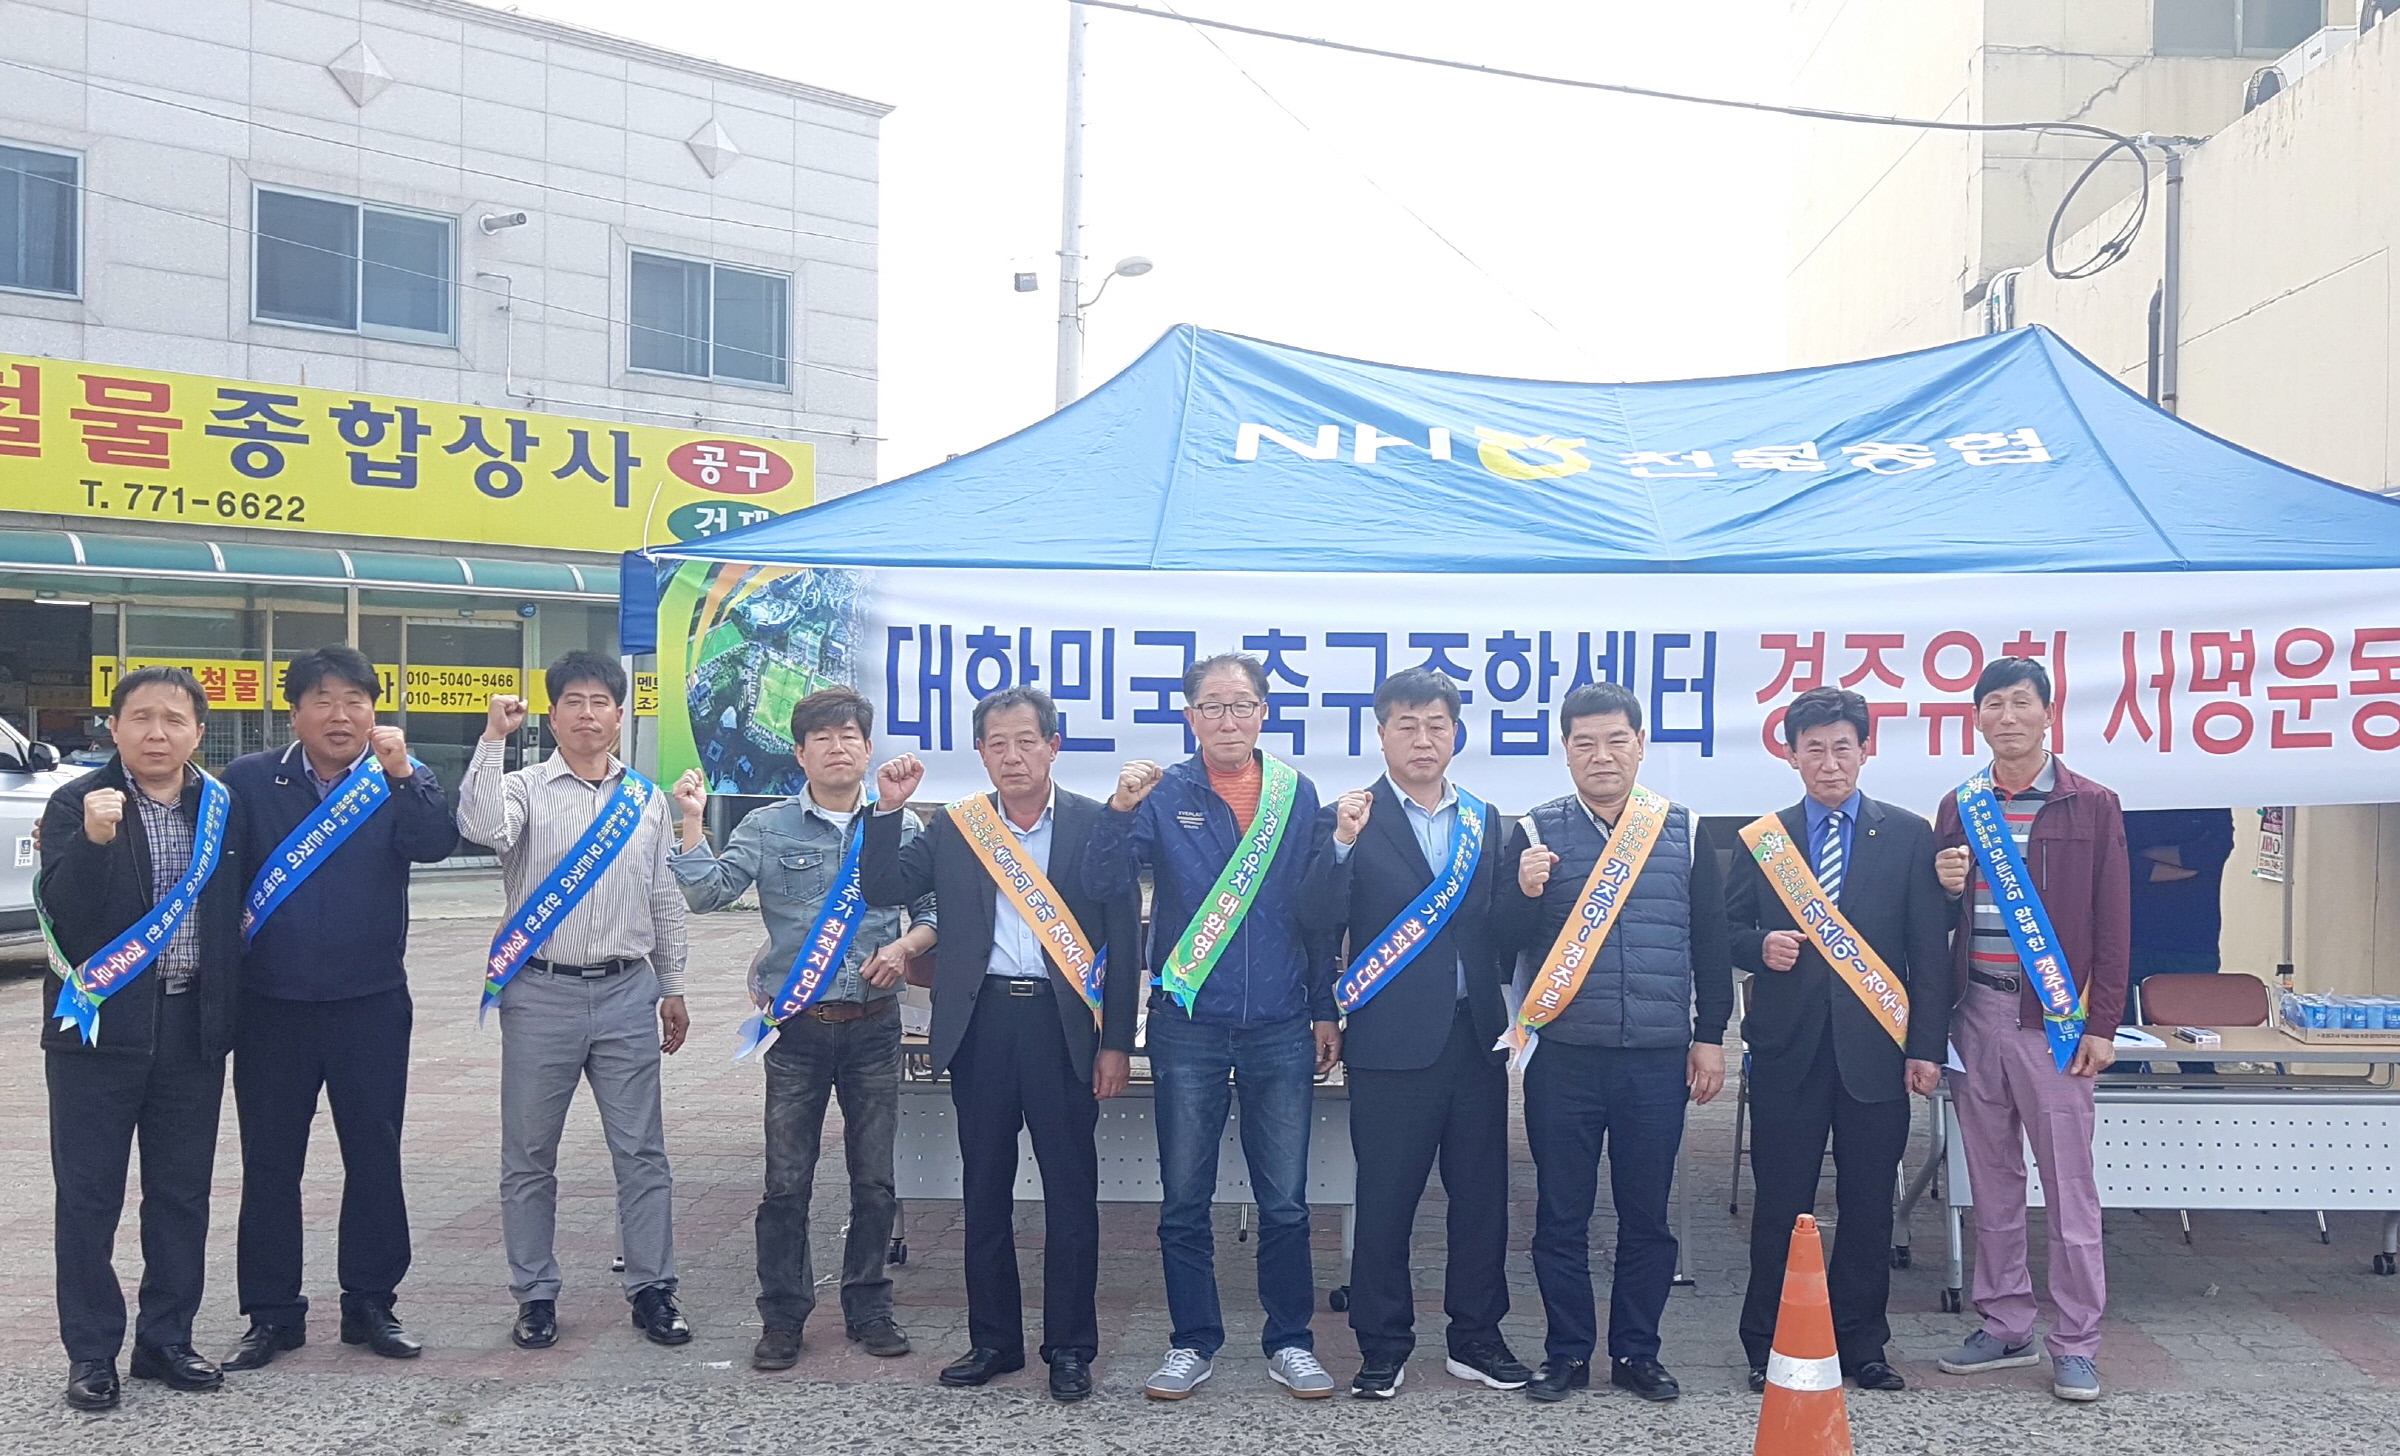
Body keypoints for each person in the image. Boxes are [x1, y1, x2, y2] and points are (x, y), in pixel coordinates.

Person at [860, 687, 1140, 1403]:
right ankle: (994, 1341)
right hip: (982, 1023)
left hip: (1063, 1027)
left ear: (1054, 744)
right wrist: (888, 809)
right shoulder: (959, 826)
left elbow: (1126, 937)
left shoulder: (1092, 823)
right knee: (983, 1190)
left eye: (1026, 741)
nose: (1012, 755)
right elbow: (883, 883)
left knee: (1070, 1194)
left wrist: (1116, 1043)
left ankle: (1070, 1347)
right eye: (997, 743)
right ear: (980, 752)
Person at [1084, 652, 1341, 1402]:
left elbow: (1318, 915)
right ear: (1189, 716)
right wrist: (1121, 810)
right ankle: (1192, 1341)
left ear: (1265, 713)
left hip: (1282, 1023)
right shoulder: (1164, 795)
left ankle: (1289, 1341)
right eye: (1213, 706)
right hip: (1188, 1025)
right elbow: (1103, 884)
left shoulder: (1297, 794)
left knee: (1286, 1200)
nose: (1229, 719)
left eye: (1242, 704)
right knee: (1184, 1198)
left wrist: (1324, 1006)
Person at [671, 685, 934, 1371]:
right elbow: (707, 891)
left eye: (849, 734)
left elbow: (934, 909)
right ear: (799, 752)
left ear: (868, 748)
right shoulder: (767, 827)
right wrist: (691, 824)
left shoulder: (900, 825)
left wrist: (903, 950)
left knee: (875, 1178)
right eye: (822, 736)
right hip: (796, 1031)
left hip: (875, 1026)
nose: (838, 746)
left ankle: (869, 1306)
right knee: (786, 1181)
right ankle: (783, 1317)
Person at [1492, 680, 1731, 1405]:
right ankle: (1565, 1352)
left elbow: (1711, 946)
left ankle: (1636, 1351)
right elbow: (1501, 944)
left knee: (1647, 1217)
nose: (1602, 755)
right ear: (1565, 750)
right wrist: (1524, 893)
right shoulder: (1533, 831)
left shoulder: (1683, 830)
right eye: (1585, 742)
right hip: (1563, 1056)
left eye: (1615, 740)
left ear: (1640, 744)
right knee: (1560, 1214)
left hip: (1656, 1056)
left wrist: (1711, 1037)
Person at [219, 646, 459, 1370]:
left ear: (374, 713)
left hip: (371, 1005)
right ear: (293, 712)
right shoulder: (251, 781)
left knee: (375, 1158)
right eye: (322, 699)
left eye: (356, 699)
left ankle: (371, 1304)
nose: (340, 713)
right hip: (271, 1008)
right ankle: (270, 1314)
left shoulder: (398, 781)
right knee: (269, 1165)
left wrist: (404, 775)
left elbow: (437, 844)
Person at [1296, 668, 1528, 1400]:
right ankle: (1383, 1344)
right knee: (1388, 1200)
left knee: (1482, 1197)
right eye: (1407, 725)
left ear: (1456, 733)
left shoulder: (1486, 822)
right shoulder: (1349, 816)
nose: (1423, 739)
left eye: (1437, 725)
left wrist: (1527, 892)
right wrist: (1337, 845)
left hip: (1473, 1040)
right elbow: (1314, 920)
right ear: (1382, 733)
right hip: (1390, 1042)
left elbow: (1506, 936)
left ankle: (1477, 1338)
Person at [458, 652, 691, 1352]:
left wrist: (672, 984)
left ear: (621, 716)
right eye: (573, 702)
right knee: (529, 1154)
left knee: (642, 1152)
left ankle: (653, 1289)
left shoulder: (646, 801)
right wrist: (492, 738)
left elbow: (663, 899)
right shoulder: (524, 788)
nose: (588, 714)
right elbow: (477, 825)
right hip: (541, 992)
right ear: (553, 714)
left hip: (627, 990)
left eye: (601, 702)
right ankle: (534, 1294)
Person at [1725, 687, 1951, 1394]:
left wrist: (1927, 1046)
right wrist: (1761, 945)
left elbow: (1927, 953)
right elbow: (1724, 931)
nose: (1829, 762)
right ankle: (1766, 1345)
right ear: (1791, 756)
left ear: (1865, 750)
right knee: (1781, 1204)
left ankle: (1863, 1345)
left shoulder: (1910, 835)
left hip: (1876, 1053)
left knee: (1866, 1205)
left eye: (1842, 747)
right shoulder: (1765, 839)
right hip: (1788, 1051)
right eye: (1813, 748)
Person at [37, 667, 244, 1411]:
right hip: (96, 1037)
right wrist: (93, 841)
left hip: (191, 1030)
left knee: (181, 1196)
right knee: (89, 1200)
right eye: (142, 718)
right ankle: (92, 1354)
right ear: (115, 727)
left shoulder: (219, 806)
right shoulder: (75, 803)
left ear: (197, 731)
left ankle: (166, 1338)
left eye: (174, 720)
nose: (158, 733)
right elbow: (60, 913)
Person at [1931, 656, 2130, 1403]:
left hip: (2053, 1020)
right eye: (1992, 705)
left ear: (2049, 713)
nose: (2006, 717)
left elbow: (2114, 923)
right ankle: (2006, 1320)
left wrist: (2103, 1022)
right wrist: (1941, 878)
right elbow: (1936, 911)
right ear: (1977, 717)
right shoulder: (1961, 804)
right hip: (1974, 1013)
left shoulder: (2093, 804)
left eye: (2020, 703)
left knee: (2070, 1188)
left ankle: (2076, 1340)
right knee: (1991, 1183)